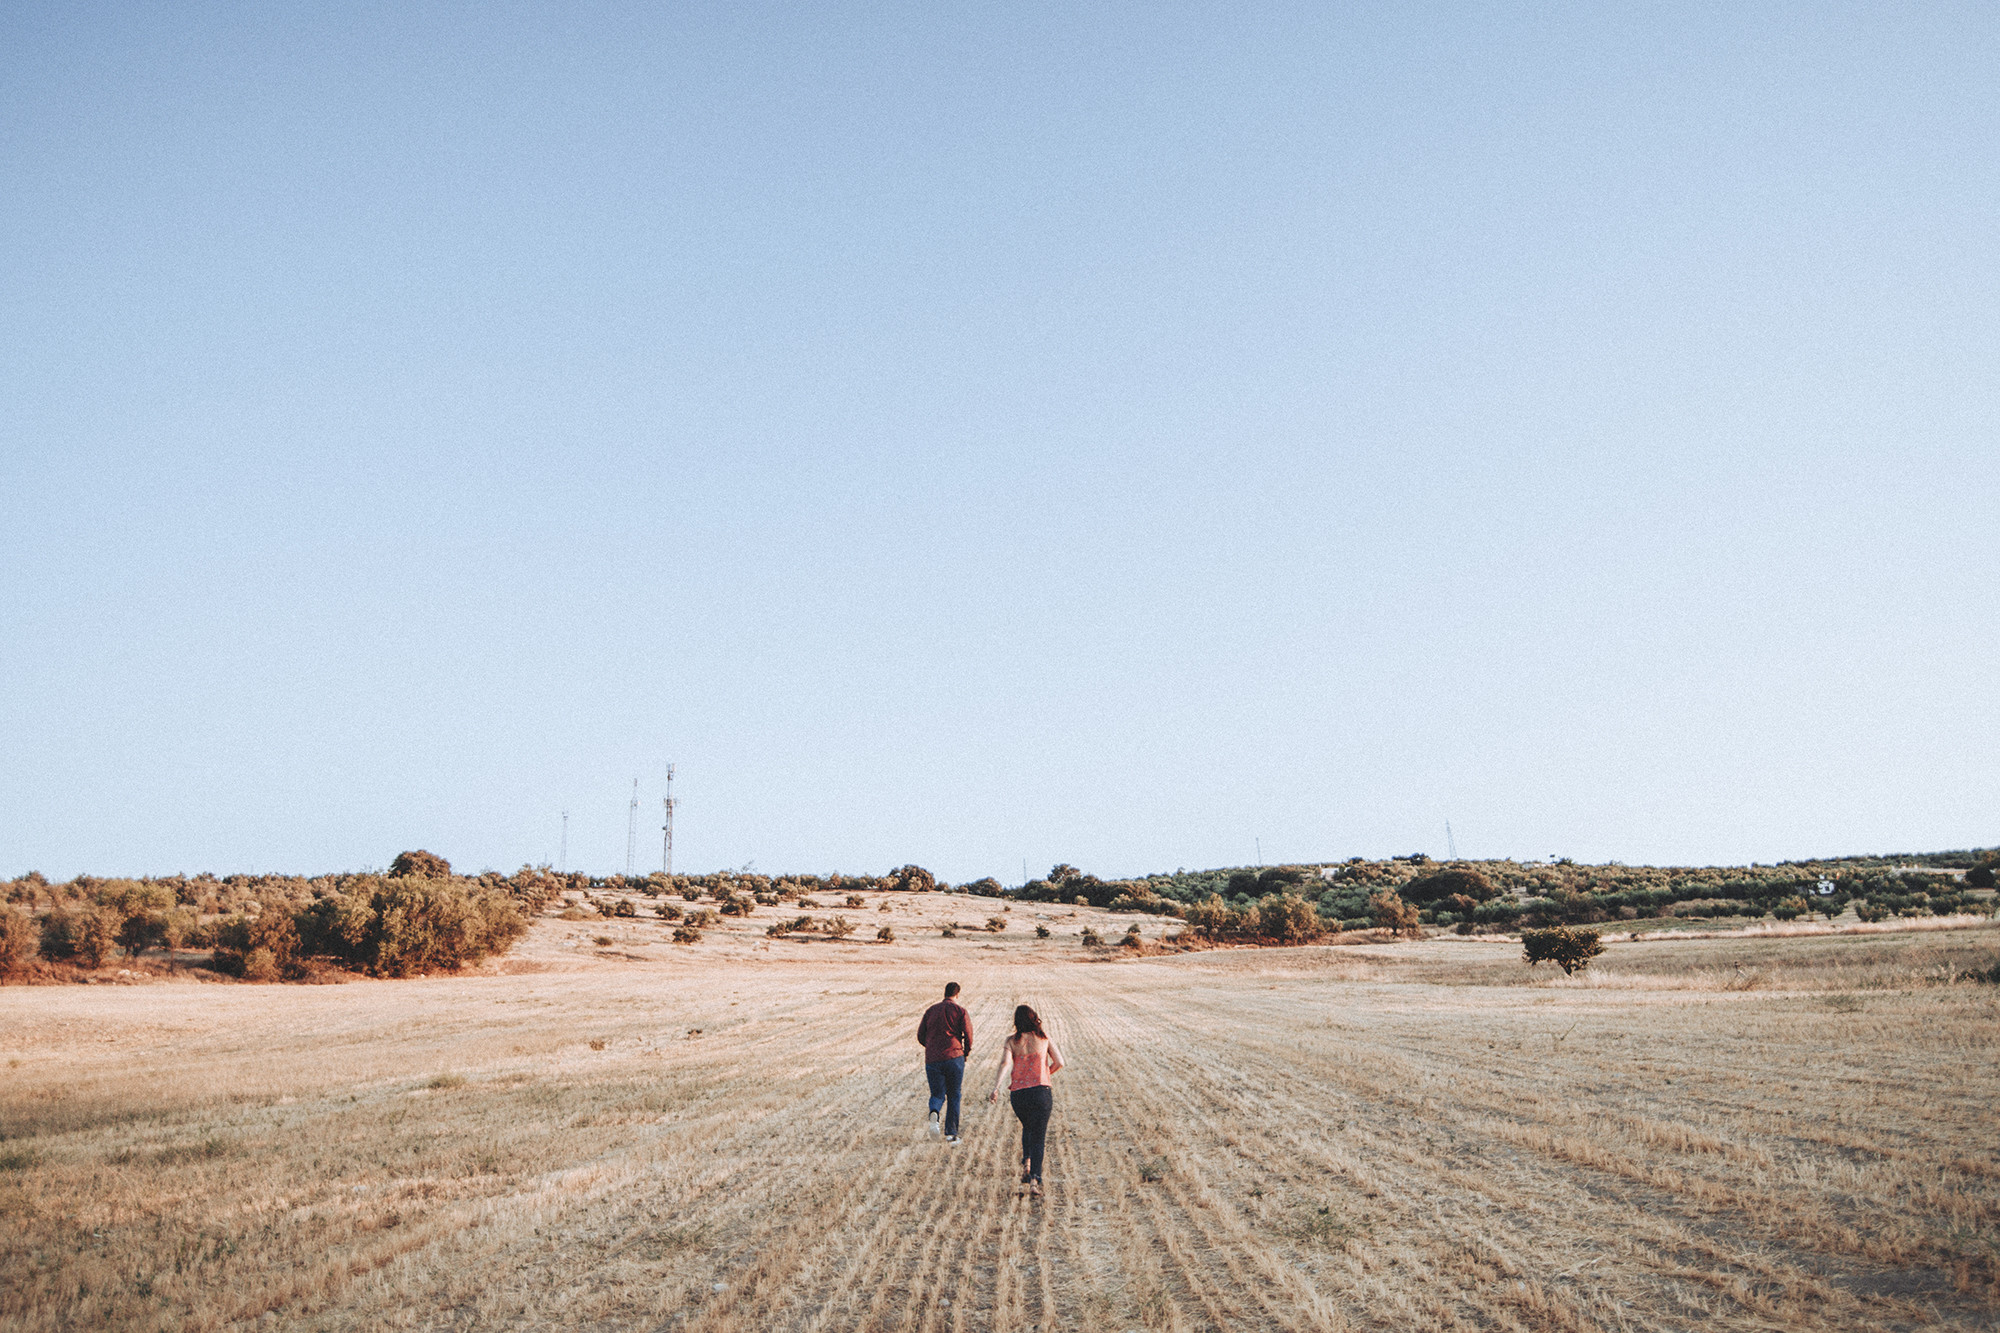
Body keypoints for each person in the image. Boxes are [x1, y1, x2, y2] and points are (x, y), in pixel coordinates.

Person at [988, 1003, 1063, 1197]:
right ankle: (1034, 1182)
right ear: (1034, 1018)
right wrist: (1045, 1074)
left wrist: (996, 1087)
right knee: (1039, 1136)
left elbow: (1005, 1063)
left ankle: (1027, 1163)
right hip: (1041, 1091)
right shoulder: (1043, 1038)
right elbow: (1060, 1062)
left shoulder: (1011, 1041)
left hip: (1019, 1094)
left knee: (1028, 1127)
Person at [916, 981, 972, 1144]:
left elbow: (920, 1035)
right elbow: (968, 1035)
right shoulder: (960, 1011)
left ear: (945, 993)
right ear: (957, 994)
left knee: (937, 1094)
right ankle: (951, 1134)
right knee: (954, 1094)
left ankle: (934, 1112)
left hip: (933, 1059)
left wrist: (932, 1046)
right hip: (954, 1057)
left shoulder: (931, 1010)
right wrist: (965, 1052)